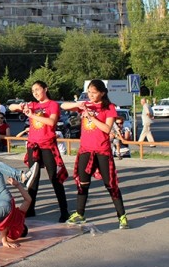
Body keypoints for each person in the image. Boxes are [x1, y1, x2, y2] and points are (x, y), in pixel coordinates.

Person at [61, 79, 130, 229]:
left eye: (94, 92)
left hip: (102, 150)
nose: (91, 95)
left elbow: (106, 129)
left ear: (102, 93)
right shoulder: (85, 104)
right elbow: (63, 105)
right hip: (86, 149)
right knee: (83, 183)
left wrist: (92, 117)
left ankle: (122, 216)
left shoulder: (109, 107)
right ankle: (80, 213)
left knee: (111, 184)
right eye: (89, 92)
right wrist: (77, 105)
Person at [8, 81, 70, 223]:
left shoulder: (52, 104)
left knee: (54, 178)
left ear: (45, 89)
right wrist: (20, 106)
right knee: (32, 178)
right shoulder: (33, 105)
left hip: (47, 145)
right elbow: (10, 107)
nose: (35, 93)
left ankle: (64, 211)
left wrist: (32, 115)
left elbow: (51, 122)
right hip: (33, 145)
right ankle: (30, 209)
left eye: (37, 89)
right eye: (33, 90)